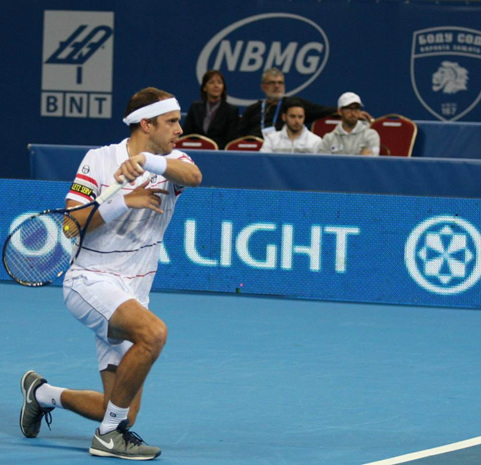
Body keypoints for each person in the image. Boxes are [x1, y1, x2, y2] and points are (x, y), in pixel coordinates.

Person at [19, 87, 202, 460]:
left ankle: (41, 394)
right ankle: (107, 438)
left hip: (133, 294)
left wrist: (150, 163)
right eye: (171, 121)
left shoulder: (170, 161)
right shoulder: (99, 160)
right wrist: (124, 200)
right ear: (146, 124)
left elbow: (194, 175)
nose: (179, 128)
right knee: (153, 334)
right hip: (90, 281)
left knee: (120, 409)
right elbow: (72, 225)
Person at [237, 67, 337, 139]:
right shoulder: (253, 109)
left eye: (280, 83)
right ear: (263, 87)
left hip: (282, 148)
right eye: (272, 83)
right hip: (256, 150)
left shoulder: (293, 105)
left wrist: (342, 109)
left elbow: (321, 110)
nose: (277, 86)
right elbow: (238, 136)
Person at [182, 70, 239, 149]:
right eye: (211, 82)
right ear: (205, 87)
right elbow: (186, 134)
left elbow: (231, 139)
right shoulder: (195, 107)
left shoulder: (231, 110)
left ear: (223, 87)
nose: (216, 86)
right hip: (195, 149)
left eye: (219, 82)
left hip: (219, 152)